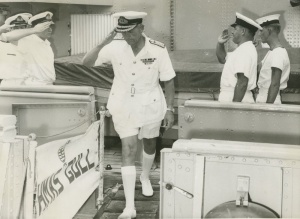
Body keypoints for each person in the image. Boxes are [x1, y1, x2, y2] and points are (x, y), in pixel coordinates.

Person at [83, 11, 175, 219]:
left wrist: (170, 109)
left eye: (131, 32)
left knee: (150, 144)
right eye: (123, 33)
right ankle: (130, 207)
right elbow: (87, 62)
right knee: (128, 148)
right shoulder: (115, 48)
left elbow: (168, 80)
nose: (127, 37)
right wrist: (104, 40)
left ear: (141, 29)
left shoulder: (158, 49)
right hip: (123, 103)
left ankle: (144, 177)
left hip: (150, 103)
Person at [216, 12, 262, 103]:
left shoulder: (244, 51)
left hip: (236, 98)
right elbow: (222, 59)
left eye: (235, 29)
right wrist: (220, 44)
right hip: (234, 96)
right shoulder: (242, 49)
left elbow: (242, 82)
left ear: (243, 31)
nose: (232, 32)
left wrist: (235, 108)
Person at [0, 13, 52, 86]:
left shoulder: (30, 42)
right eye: (16, 28)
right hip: (8, 82)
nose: (20, 31)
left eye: (22, 28)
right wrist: (1, 29)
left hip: (26, 83)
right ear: (9, 29)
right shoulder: (2, 43)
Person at [255, 14, 290, 104]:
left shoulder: (278, 53)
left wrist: (268, 108)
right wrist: (252, 48)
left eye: (261, 30)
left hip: (270, 99)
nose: (259, 34)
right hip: (264, 96)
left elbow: (275, 85)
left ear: (269, 30)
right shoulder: (272, 52)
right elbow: (257, 69)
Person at [18, 11, 55, 85]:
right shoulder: (26, 41)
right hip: (34, 84)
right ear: (37, 28)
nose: (50, 29)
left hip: (48, 84)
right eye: (46, 26)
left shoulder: (47, 44)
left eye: (50, 26)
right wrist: (32, 30)